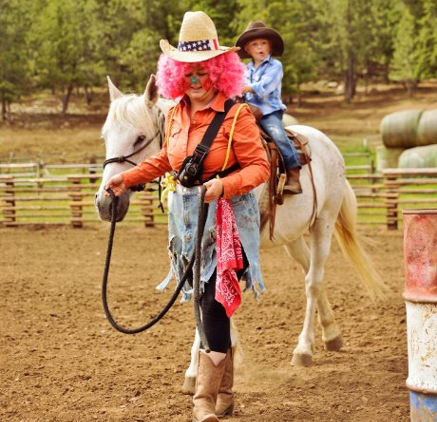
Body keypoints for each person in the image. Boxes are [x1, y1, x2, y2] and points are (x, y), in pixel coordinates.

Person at [105, 11, 270, 422]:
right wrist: (128, 178)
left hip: (229, 220)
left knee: (214, 305)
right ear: (175, 76)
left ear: (219, 71)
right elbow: (166, 158)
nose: (195, 80)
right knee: (203, 302)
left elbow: (260, 168)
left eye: (203, 71)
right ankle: (226, 394)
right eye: (187, 73)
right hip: (189, 222)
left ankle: (202, 403)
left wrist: (224, 186)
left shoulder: (237, 116)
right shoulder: (176, 114)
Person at [236, 21, 302, 194]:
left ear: (270, 46)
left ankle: (293, 173)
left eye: (263, 43)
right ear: (248, 49)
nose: (259, 47)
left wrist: (249, 88)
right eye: (254, 44)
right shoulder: (245, 69)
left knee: (278, 136)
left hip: (268, 112)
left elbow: (266, 86)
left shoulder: (275, 66)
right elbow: (237, 85)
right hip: (246, 110)